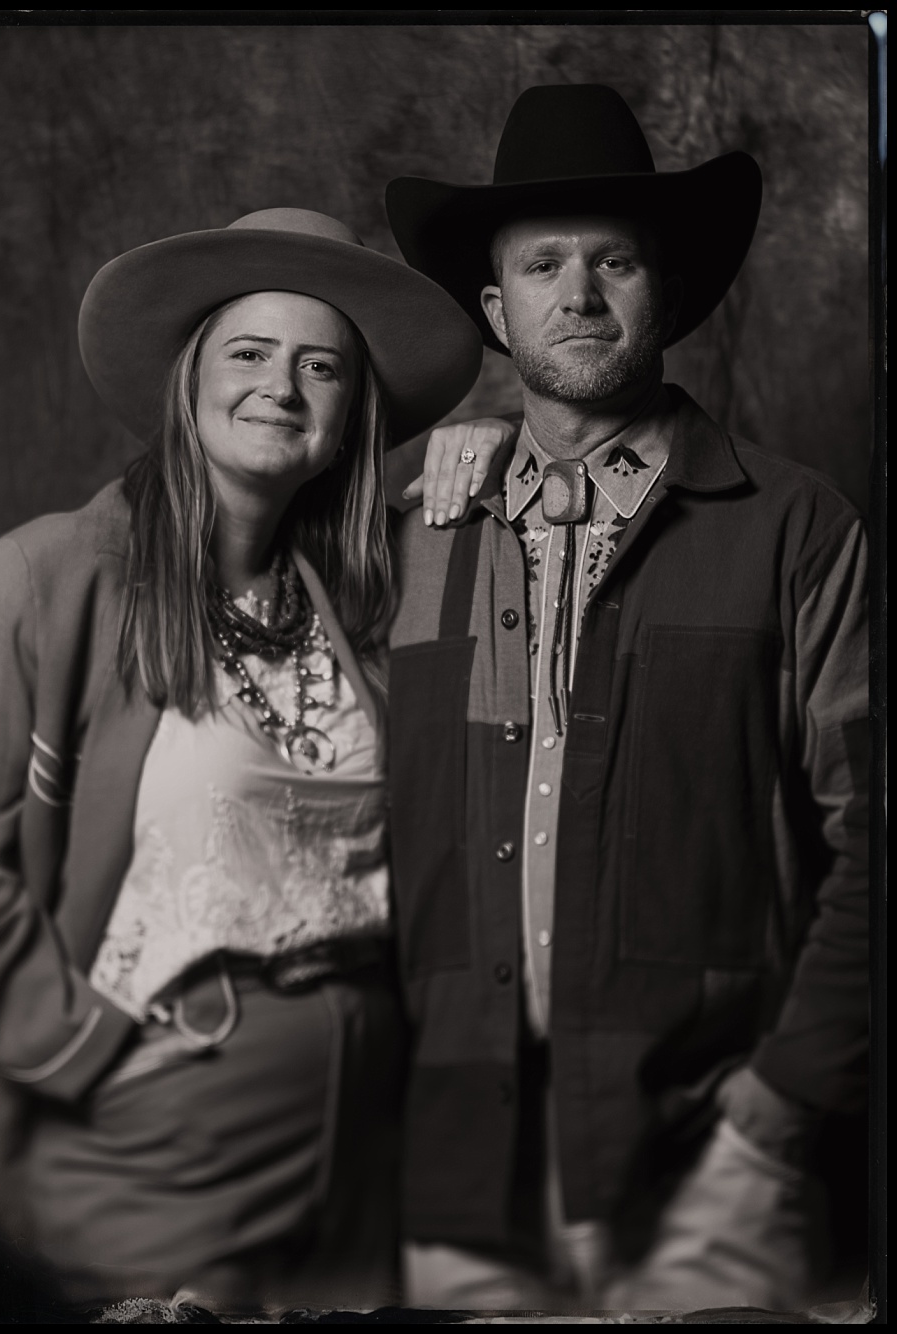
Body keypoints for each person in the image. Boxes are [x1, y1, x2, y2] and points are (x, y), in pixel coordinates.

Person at [381, 84, 869, 1313]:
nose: (579, 294)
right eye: (541, 265)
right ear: (496, 309)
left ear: (671, 288)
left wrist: (786, 1098)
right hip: (457, 1183)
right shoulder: (414, 533)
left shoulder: (794, 526)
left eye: (616, 261)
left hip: (711, 1164)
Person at [0, 206, 495, 1316]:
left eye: (321, 366)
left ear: (354, 412)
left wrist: (494, 434)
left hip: (368, 1139)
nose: (282, 388)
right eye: (249, 353)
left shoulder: (373, 598)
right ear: (189, 375)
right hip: (160, 1128)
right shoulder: (38, 580)